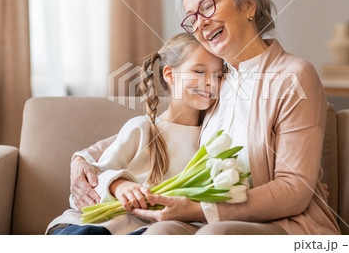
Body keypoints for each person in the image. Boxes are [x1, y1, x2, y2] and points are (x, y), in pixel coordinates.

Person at [70, 0, 341, 235]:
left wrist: (197, 209)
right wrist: (81, 160)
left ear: (248, 4)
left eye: (208, 6)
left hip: (284, 224)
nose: (200, 23)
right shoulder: (216, 84)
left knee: (213, 237)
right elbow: (160, 129)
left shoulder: (293, 75)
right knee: (158, 235)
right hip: (210, 220)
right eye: (192, 18)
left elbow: (294, 190)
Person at [46, 32, 224, 235]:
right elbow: (90, 184)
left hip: (145, 232)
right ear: (170, 75)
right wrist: (118, 186)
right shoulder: (141, 128)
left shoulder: (211, 141)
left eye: (218, 75)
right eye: (199, 72)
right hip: (98, 226)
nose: (211, 82)